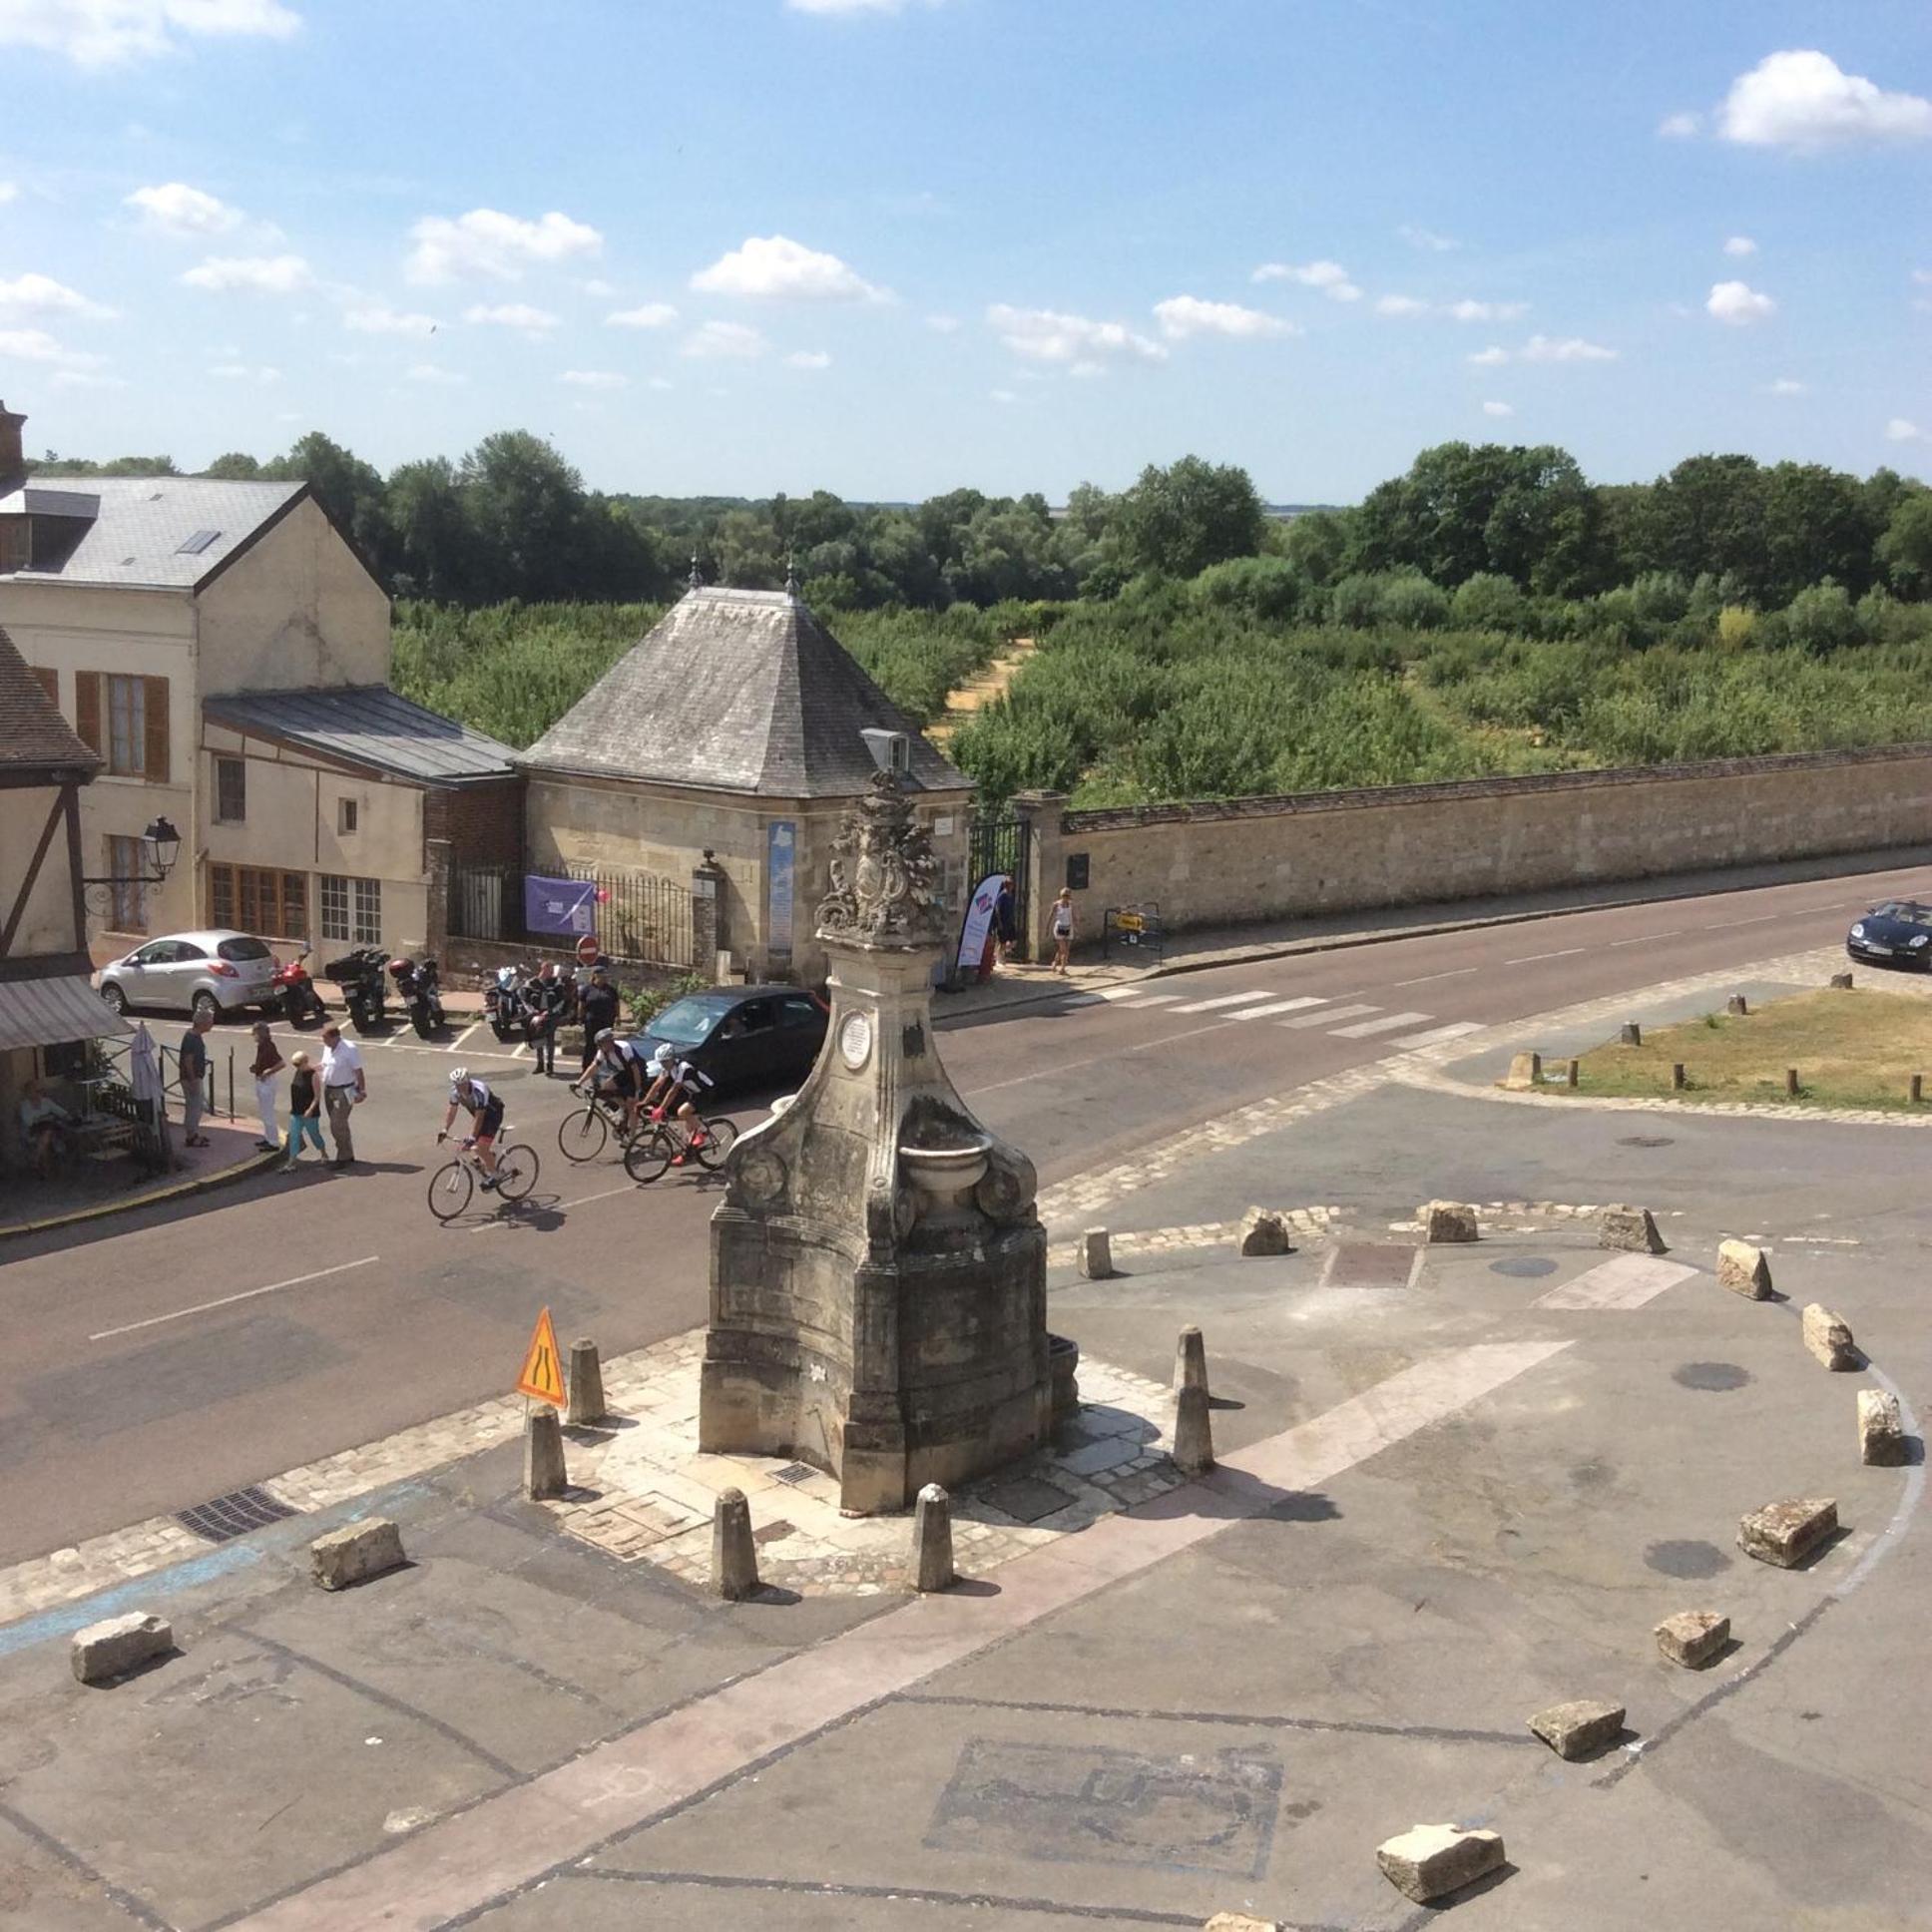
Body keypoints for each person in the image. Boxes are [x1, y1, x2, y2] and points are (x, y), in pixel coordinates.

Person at [643, 1050, 715, 1166]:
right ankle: (687, 1154)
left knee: (682, 1112)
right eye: (661, 1062)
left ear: (672, 1059)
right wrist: (644, 1102)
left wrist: (661, 1109)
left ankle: (703, 1133)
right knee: (688, 1127)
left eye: (665, 1062)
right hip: (693, 1093)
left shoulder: (683, 1067)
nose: (663, 1065)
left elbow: (673, 1090)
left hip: (706, 1092)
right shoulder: (667, 1069)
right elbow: (657, 1085)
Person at [438, 1068, 506, 1188]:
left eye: (463, 1084)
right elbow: (452, 1111)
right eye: (457, 1085)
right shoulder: (455, 1092)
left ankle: (496, 1174)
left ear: (468, 1080)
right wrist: (445, 1129)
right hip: (478, 1115)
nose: (460, 1087)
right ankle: (488, 1158)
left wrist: (472, 1137)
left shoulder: (480, 1090)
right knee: (465, 1146)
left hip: (492, 1115)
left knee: (479, 1147)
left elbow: (480, 1117)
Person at [579, 1026, 649, 1136]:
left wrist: (637, 1090)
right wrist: (579, 1082)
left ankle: (632, 1136)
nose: (600, 1047)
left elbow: (635, 1069)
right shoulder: (603, 1051)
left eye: (601, 1044)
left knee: (632, 1105)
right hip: (624, 1073)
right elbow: (593, 1067)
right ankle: (622, 1106)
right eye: (599, 1044)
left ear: (609, 1042)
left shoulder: (623, 1048)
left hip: (637, 1073)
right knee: (606, 1087)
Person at [317, 1022, 366, 1169]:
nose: (323, 1041)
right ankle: (348, 1153)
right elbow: (325, 1065)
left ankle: (343, 1156)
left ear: (335, 1037)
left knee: (337, 1123)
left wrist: (362, 1091)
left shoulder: (349, 1049)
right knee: (339, 1123)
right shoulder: (328, 1048)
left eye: (325, 1038)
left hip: (345, 1090)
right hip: (330, 1090)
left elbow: (358, 1071)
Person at [19, 1079, 74, 1180]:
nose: (39, 1093)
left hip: (47, 1130)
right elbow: (29, 1121)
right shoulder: (25, 1105)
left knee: (46, 1135)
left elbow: (61, 1112)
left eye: (40, 1090)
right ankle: (45, 1169)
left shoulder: (46, 1102)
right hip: (32, 1130)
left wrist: (70, 1118)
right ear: (28, 1092)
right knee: (45, 1136)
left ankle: (37, 1161)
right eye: (35, 1091)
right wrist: (45, 1118)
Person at [282, 1051, 326, 1168]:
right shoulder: (298, 1072)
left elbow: (317, 1096)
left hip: (309, 1113)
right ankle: (291, 1161)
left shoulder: (313, 1075)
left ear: (305, 1062)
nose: (296, 1067)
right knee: (294, 1136)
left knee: (314, 1134)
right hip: (296, 1111)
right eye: (295, 1065)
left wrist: (310, 1109)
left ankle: (323, 1153)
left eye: (298, 1064)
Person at [178, 1010, 214, 1147]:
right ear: (201, 1023)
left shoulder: (195, 1036)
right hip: (191, 1079)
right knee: (194, 1107)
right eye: (209, 1022)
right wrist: (193, 1079)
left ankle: (193, 1133)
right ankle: (191, 1136)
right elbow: (188, 1060)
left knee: (195, 1106)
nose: (211, 1025)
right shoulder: (191, 1038)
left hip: (194, 1077)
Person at [525, 963, 566, 1078]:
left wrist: (551, 1011)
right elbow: (525, 1000)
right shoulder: (531, 983)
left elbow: (561, 1000)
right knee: (538, 1039)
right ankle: (540, 1064)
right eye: (550, 969)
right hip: (536, 1014)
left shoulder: (556, 982)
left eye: (553, 970)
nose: (552, 972)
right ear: (543, 969)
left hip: (550, 1015)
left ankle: (550, 1066)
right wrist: (532, 1011)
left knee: (549, 1040)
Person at [248, 1021, 285, 1151]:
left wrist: (267, 1072)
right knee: (264, 1112)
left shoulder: (269, 1046)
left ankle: (273, 1142)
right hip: (260, 1080)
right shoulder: (262, 1046)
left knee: (268, 1113)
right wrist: (256, 1068)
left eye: (255, 1033)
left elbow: (281, 1064)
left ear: (260, 1033)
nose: (253, 1035)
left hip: (267, 1082)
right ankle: (268, 1138)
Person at [578, 966, 620, 1073]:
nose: (605, 978)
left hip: (606, 1021)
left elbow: (616, 1004)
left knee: (607, 1045)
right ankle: (587, 1067)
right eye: (602, 975)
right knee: (590, 1045)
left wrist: (618, 1017)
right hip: (591, 1022)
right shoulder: (587, 989)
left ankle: (607, 1067)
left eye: (605, 976)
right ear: (595, 975)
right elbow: (581, 1005)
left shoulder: (611, 990)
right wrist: (580, 1018)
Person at [1050, 887, 1076, 975]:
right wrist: (1047, 928)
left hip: (1068, 927)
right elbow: (1051, 916)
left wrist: (1076, 925)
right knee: (1063, 949)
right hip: (1059, 928)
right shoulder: (1056, 904)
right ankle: (1062, 968)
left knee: (1064, 949)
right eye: (1064, 895)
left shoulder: (1071, 904)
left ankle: (1054, 964)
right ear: (1061, 896)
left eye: (1067, 895)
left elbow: (1073, 916)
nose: (1066, 897)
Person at [994, 876, 1017, 965]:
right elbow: (997, 909)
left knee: (1014, 941)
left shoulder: (1011, 895)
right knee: (1002, 941)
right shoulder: (1002, 895)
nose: (1012, 886)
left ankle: (1000, 952)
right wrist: (999, 922)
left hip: (1010, 921)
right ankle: (999, 959)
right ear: (1007, 885)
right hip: (1003, 922)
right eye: (1011, 884)